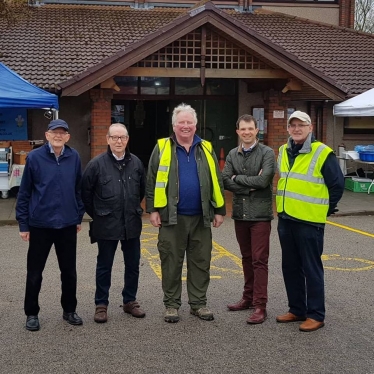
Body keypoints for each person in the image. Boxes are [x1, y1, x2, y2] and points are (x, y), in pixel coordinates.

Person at [146, 103, 225, 323]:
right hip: (172, 217)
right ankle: (171, 305)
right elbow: (151, 179)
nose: (186, 126)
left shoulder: (206, 147)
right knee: (171, 261)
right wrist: (152, 209)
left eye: (189, 122)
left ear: (196, 124)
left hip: (201, 216)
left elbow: (216, 180)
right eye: (181, 122)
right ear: (174, 125)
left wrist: (219, 210)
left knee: (200, 261)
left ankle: (198, 304)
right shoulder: (162, 147)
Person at [276, 111, 344, 332]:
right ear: (288, 128)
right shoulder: (283, 151)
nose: (296, 129)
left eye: (301, 125)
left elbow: (337, 185)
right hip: (286, 218)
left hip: (309, 222)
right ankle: (297, 309)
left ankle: (316, 314)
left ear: (310, 127)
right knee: (290, 267)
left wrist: (324, 209)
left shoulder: (322, 153)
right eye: (292, 125)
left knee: (311, 269)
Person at [16, 119, 85, 331]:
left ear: (67, 137)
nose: (58, 136)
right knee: (35, 272)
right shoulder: (35, 158)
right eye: (54, 132)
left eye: (62, 133)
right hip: (40, 224)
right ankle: (32, 313)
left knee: (69, 272)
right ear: (47, 135)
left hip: (66, 224)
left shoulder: (74, 157)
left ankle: (69, 310)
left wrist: (77, 215)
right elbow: (25, 192)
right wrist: (23, 224)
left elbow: (78, 189)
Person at [81, 123, 146, 323]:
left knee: (133, 265)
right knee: (104, 266)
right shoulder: (96, 164)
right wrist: (100, 213)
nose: (119, 141)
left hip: (131, 223)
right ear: (108, 139)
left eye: (122, 138)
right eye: (115, 137)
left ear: (127, 140)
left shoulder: (136, 163)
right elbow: (85, 194)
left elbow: (141, 191)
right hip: (106, 223)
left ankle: (130, 301)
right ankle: (101, 304)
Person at [222, 114, 276, 324]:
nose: (246, 132)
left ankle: (260, 305)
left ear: (256, 131)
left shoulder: (267, 153)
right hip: (240, 214)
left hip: (260, 215)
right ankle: (247, 298)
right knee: (245, 258)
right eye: (243, 129)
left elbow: (264, 181)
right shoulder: (233, 155)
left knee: (259, 260)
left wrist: (238, 179)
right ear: (238, 131)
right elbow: (225, 180)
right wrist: (249, 184)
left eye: (250, 129)